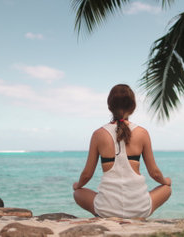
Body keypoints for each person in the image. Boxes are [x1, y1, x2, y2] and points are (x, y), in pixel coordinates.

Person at [73, 84, 172, 218]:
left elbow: (86, 175)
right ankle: (137, 213)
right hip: (140, 209)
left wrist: (77, 185)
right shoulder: (142, 133)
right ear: (133, 107)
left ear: (109, 107)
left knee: (77, 193)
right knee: (166, 189)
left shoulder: (98, 134)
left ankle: (106, 212)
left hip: (106, 210)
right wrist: (166, 181)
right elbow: (154, 173)